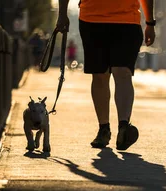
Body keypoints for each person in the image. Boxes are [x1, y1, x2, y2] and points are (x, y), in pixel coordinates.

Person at [56, 0, 155, 150]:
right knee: (120, 74)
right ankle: (122, 125)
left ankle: (105, 129)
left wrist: (62, 15)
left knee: (101, 76)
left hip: (97, 18)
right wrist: (150, 22)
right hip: (119, 20)